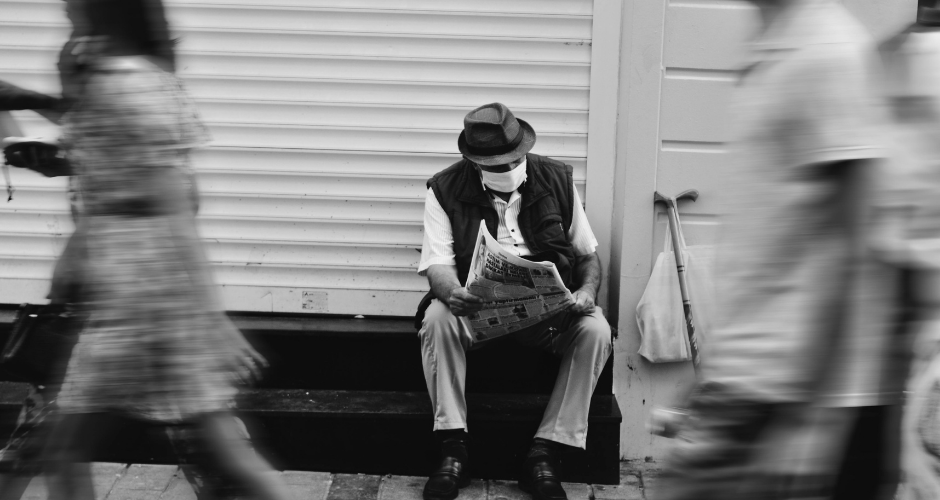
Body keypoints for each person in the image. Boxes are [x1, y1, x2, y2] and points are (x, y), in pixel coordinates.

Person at [2, 1, 290, 499]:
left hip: (142, 310)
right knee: (219, 454)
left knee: (66, 448)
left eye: (76, 20)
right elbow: (114, 156)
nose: (71, 38)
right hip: (132, 305)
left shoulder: (123, 86)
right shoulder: (138, 83)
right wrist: (64, 156)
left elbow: (176, 205)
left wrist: (210, 319)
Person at [652, 1, 901, 499]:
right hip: (752, 379)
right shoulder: (777, 48)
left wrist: (811, 422)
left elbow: (856, 247)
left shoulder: (826, 53)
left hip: (792, 392)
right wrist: (714, 375)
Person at [415, 102, 612, 500]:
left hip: (548, 316)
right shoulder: (444, 188)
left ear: (524, 151)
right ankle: (454, 448)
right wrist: (454, 293)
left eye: (512, 161)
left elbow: (588, 255)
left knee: (596, 329)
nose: (506, 170)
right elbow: (437, 263)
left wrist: (586, 292)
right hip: (480, 313)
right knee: (437, 317)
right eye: (495, 164)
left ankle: (547, 451)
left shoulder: (556, 178)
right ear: (474, 161)